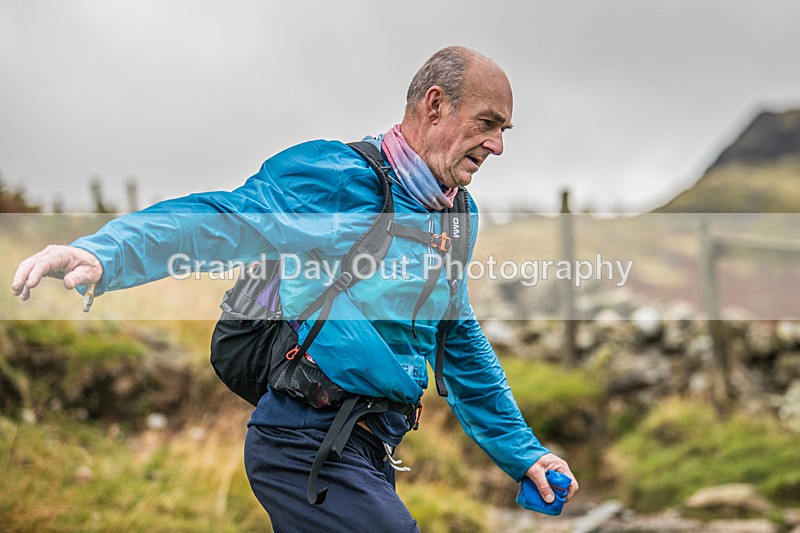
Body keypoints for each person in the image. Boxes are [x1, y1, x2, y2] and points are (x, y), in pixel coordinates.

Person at [11, 46, 578, 530]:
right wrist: (103, 252)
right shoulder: (335, 177)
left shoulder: (456, 216)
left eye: (504, 130)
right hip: (301, 441)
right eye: (487, 123)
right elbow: (224, 219)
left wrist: (522, 453)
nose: (498, 145)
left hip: (368, 447)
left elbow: (457, 341)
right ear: (435, 105)